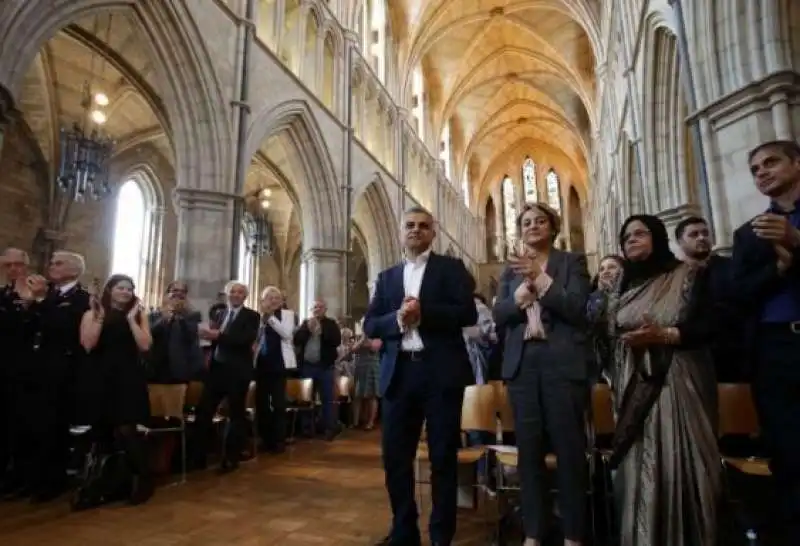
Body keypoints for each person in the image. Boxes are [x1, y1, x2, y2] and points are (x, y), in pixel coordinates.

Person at [604, 214, 720, 546]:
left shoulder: (688, 275)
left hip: (677, 382)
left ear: (657, 237)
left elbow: (712, 323)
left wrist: (666, 335)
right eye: (626, 237)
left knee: (679, 460)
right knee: (638, 464)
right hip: (632, 383)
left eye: (640, 233)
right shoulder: (622, 286)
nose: (632, 240)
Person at [364, 206, 477, 546]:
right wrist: (398, 320)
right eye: (410, 225)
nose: (416, 230)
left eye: (423, 226)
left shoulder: (451, 269)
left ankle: (442, 534)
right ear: (401, 232)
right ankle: (404, 530)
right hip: (399, 372)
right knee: (396, 456)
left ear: (433, 232)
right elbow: (371, 324)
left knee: (442, 455)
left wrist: (423, 314)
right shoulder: (386, 277)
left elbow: (467, 313)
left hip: (439, 371)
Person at [493, 202, 592, 546]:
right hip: (523, 365)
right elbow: (499, 316)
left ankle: (573, 534)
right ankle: (534, 532)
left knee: (569, 452)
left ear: (553, 227)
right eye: (526, 222)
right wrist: (517, 300)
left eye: (540, 221)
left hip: (561, 363)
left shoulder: (572, 262)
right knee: (529, 453)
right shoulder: (509, 272)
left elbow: (578, 309)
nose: (533, 226)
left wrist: (541, 279)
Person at [731, 140, 800, 542]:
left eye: (771, 163)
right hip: (776, 351)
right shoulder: (749, 234)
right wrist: (778, 267)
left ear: (796, 163)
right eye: (755, 169)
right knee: (788, 454)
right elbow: (738, 295)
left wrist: (796, 244)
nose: (762, 172)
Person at [78, 274, 154, 504]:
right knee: (102, 433)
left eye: (129, 289)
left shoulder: (139, 315)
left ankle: (142, 480)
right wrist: (100, 317)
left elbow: (145, 345)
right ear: (110, 290)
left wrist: (132, 320)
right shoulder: (92, 313)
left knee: (127, 430)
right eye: (120, 288)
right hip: (101, 377)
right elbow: (88, 344)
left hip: (128, 379)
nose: (125, 292)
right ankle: (104, 485)